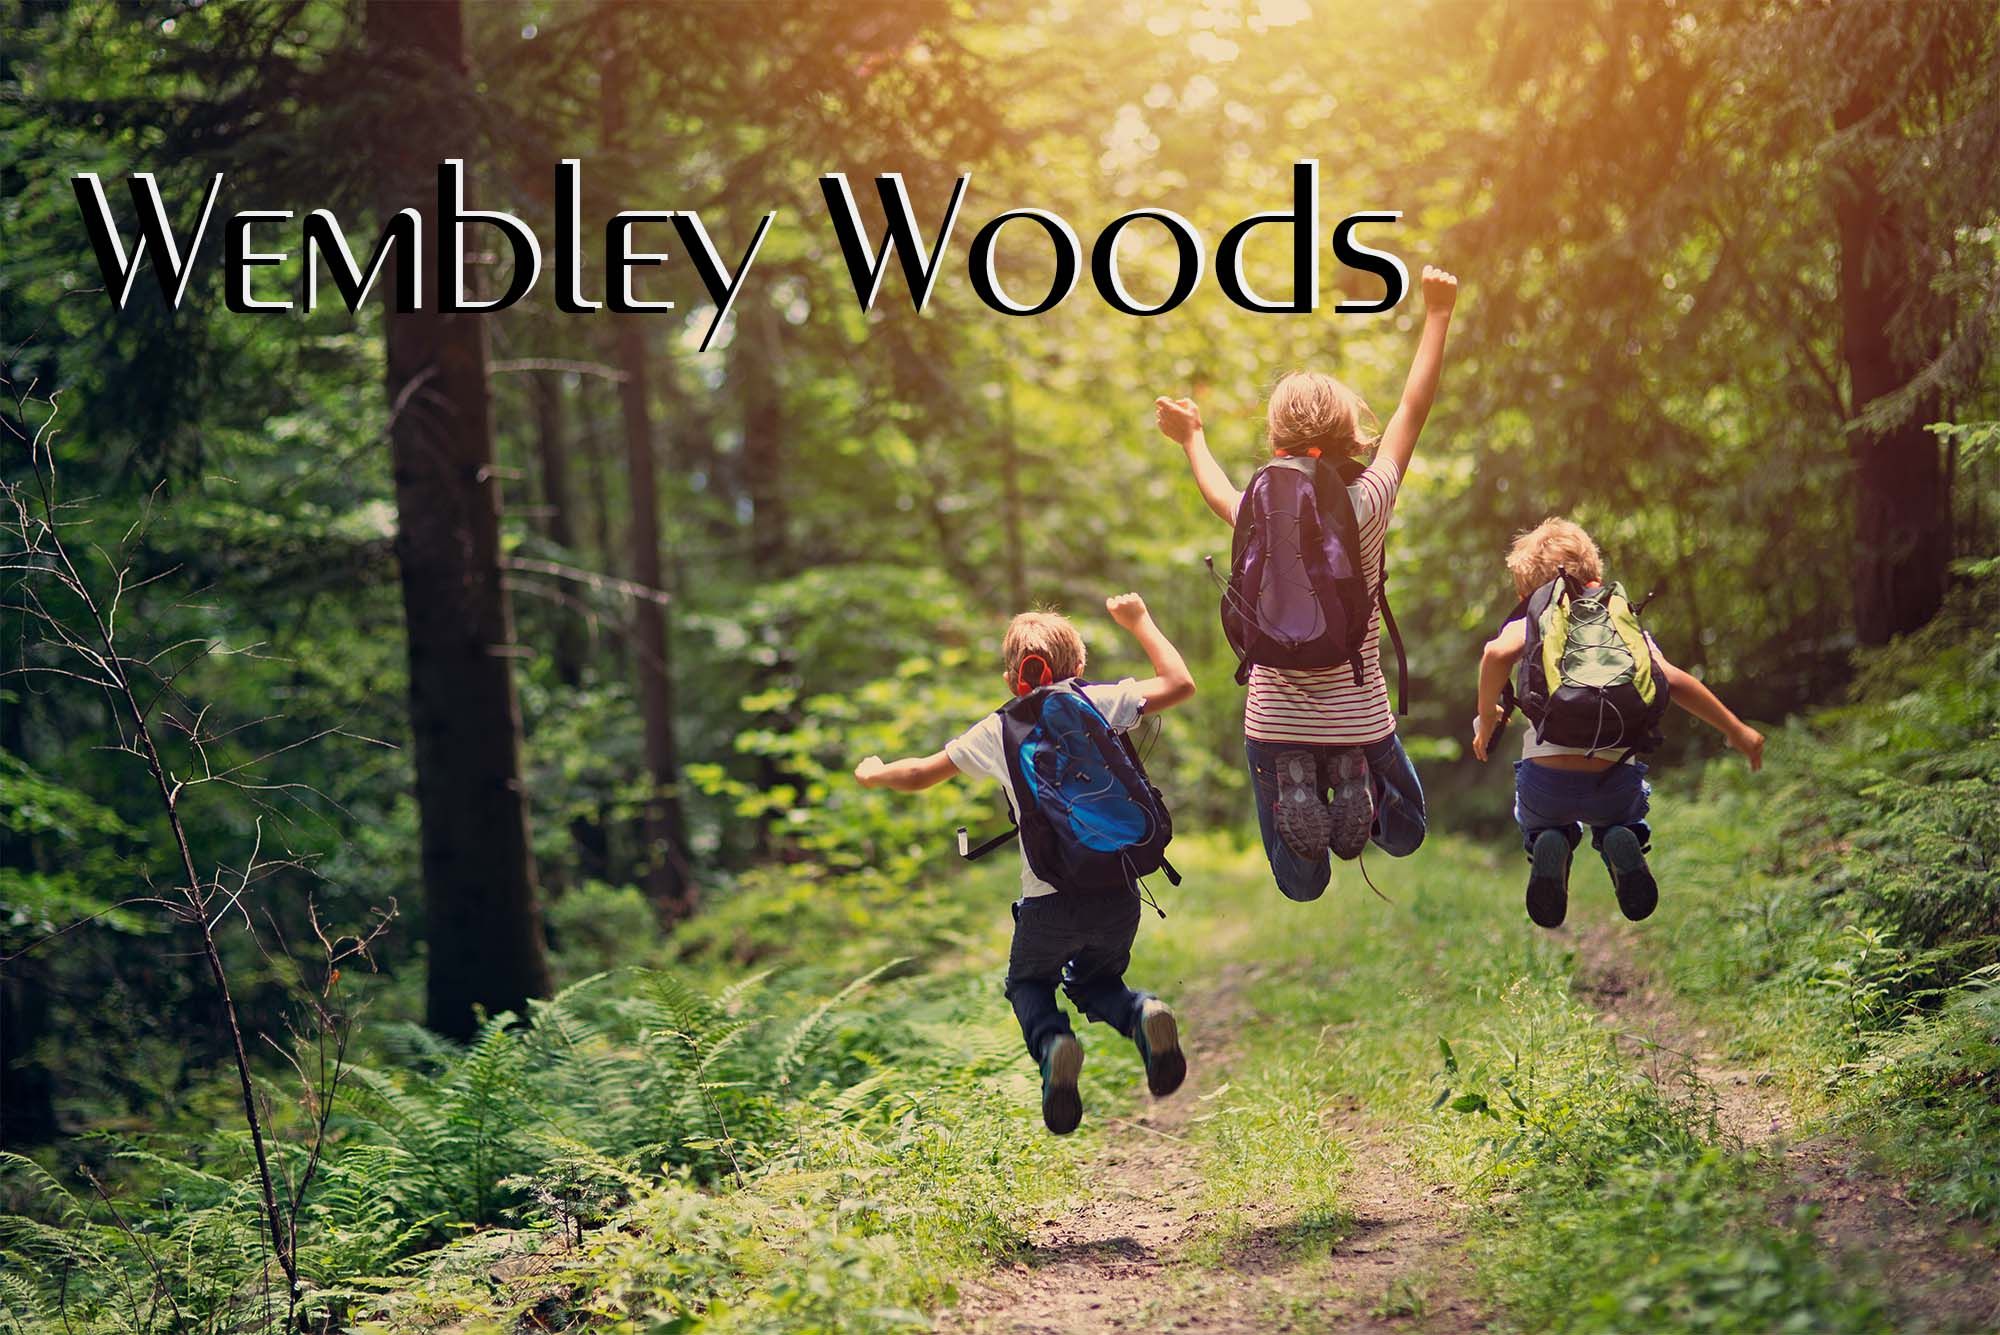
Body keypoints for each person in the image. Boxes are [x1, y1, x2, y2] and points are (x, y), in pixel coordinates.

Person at [1154, 264, 1458, 901]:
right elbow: (1413, 407)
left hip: (1274, 718)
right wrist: (1437, 314)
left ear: (1278, 437)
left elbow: (1217, 492)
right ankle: (1357, 780)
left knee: (1301, 882)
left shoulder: (1261, 510)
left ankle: (1302, 778)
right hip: (1360, 713)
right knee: (1406, 832)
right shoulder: (1369, 499)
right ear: (1349, 432)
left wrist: (1192, 437)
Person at [853, 593, 1196, 1134]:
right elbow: (1180, 684)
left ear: (1013, 677)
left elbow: (920, 772)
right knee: (1097, 980)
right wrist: (1138, 620)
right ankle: (1143, 1015)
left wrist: (874, 772)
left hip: (1047, 899)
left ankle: (1055, 1044)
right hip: (1119, 890)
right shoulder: (1100, 699)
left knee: (1030, 984)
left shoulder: (996, 729)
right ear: (1077, 666)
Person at [1471, 517, 1766, 928]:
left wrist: (1488, 719)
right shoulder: (1621, 626)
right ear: (1596, 573)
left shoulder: (1536, 618)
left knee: (1535, 819)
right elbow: (1675, 681)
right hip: (1614, 784)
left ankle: (1547, 843)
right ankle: (1619, 838)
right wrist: (1738, 730)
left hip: (1546, 783)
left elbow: (1494, 654)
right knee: (1622, 817)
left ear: (1527, 592)